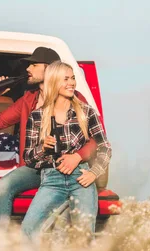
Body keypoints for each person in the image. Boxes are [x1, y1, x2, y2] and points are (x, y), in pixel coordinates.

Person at [0, 47, 97, 229]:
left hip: (67, 167)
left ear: (49, 69)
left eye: (33, 64)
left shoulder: (76, 99)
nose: (28, 69)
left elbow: (96, 140)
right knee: (3, 186)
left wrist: (77, 157)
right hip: (35, 167)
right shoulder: (28, 99)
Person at [21, 61, 111, 240]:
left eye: (73, 78)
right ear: (54, 82)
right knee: (27, 230)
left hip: (81, 179)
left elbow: (105, 147)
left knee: (83, 235)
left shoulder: (86, 112)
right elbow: (29, 158)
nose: (71, 83)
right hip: (51, 179)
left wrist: (93, 173)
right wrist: (42, 147)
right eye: (66, 79)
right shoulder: (37, 116)